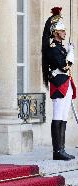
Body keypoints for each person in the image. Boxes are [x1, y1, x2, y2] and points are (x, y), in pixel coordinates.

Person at [41, 7, 76, 161]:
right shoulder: (52, 49)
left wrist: (68, 51)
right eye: (62, 31)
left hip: (65, 84)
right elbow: (64, 66)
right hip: (58, 85)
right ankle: (57, 151)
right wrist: (71, 52)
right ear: (55, 32)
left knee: (63, 117)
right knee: (57, 117)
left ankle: (61, 148)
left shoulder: (60, 48)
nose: (64, 33)